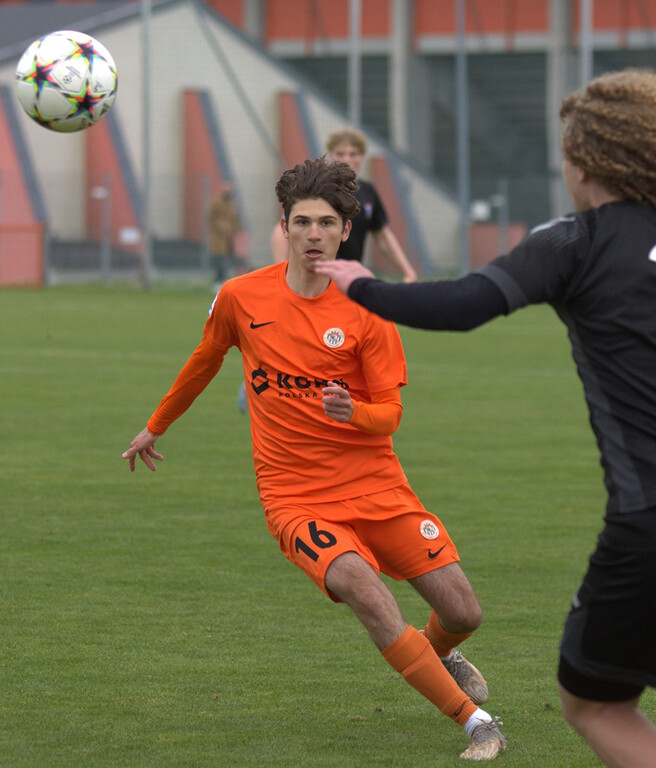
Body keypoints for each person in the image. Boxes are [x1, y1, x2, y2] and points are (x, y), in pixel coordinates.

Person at [314, 69, 656, 768]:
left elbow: (467, 303)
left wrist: (362, 284)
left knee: (595, 702)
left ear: (582, 163)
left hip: (649, 519)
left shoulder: (576, 241)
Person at [123, 157, 507, 761]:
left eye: (326, 223)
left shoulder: (371, 308)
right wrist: (154, 425)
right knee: (362, 585)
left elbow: (389, 416)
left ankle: (441, 654)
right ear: (284, 224)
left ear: (346, 230)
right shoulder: (241, 295)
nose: (313, 235)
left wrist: (349, 411)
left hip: (377, 484)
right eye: (301, 222)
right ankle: (476, 722)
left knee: (463, 609)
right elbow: (204, 361)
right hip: (295, 497)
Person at [270, 128, 418, 283]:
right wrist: (281, 272)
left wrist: (407, 271)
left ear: (361, 157)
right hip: (316, 277)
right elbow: (280, 232)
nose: (347, 159)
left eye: (353, 154)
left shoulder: (368, 192)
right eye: (340, 154)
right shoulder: (319, 190)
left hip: (349, 279)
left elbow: (382, 235)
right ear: (331, 155)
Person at [207, 180, 241, 290]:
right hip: (219, 237)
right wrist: (220, 227)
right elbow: (211, 217)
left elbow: (235, 219)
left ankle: (225, 281)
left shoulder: (232, 204)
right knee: (219, 259)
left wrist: (238, 231)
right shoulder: (216, 202)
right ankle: (217, 280)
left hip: (229, 237)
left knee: (228, 259)